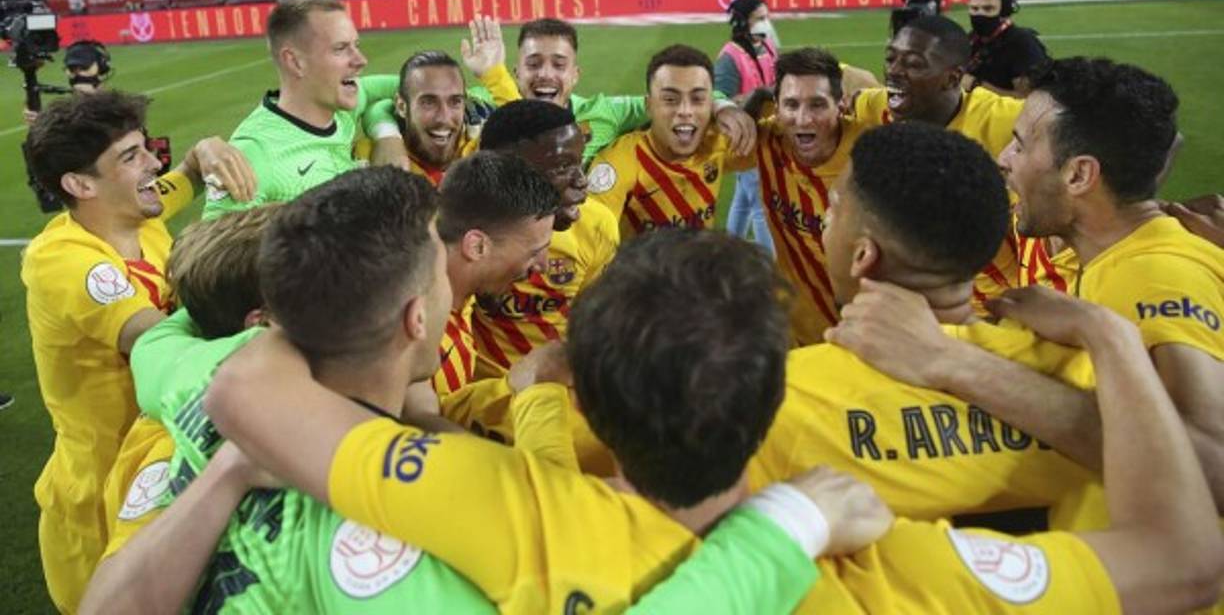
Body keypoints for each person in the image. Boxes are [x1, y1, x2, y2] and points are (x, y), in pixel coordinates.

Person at [208, 223, 1221, 614]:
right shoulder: (897, 573)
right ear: (776, 390)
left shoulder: (511, 509)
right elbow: (1186, 559)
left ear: (592, 400)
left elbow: (247, 390)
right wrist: (1113, 342)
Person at [102, 166, 864, 614]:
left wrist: (234, 464)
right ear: (412, 315)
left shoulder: (221, 373)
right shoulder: (424, 552)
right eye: (439, 270)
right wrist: (788, 526)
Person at [849, 58, 1224, 525]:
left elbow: (1212, 468)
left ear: (1079, 176)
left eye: (1022, 145)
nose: (1004, 158)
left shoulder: (1153, 273)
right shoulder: (1126, 256)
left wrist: (950, 360)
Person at [750, 122, 1099, 529]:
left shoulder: (778, 400)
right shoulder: (1089, 382)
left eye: (833, 210)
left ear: (863, 255)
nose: (826, 225)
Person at [20, 90, 254, 613]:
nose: (154, 163)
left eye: (145, 147)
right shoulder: (62, 260)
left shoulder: (139, 212)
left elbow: (189, 168)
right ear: (81, 185)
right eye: (130, 156)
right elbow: (156, 340)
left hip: (168, 465)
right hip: (101, 502)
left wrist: (210, 149)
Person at [853, 14, 1024, 309]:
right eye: (891, 59)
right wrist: (751, 105)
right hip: (923, 307)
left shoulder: (1004, 119)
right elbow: (832, 80)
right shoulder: (878, 107)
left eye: (914, 64)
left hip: (999, 309)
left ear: (953, 78)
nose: (894, 71)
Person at [202, 0, 400, 218]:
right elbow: (210, 250)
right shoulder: (254, 155)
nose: (361, 59)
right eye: (340, 48)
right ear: (295, 62)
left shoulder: (341, 106)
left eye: (356, 45)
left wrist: (386, 131)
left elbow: (415, 87)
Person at [463, 16, 756, 165]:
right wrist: (491, 74)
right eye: (534, 64)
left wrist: (721, 105)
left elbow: (670, 98)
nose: (546, 75)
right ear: (516, 73)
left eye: (559, 64)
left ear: (575, 75)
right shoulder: (485, 100)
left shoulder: (604, 112)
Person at [471, 99, 619, 375]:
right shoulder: (459, 234)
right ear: (506, 173)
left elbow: (592, 328)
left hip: (556, 397)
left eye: (580, 162)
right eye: (562, 166)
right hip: (475, 401)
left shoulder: (598, 225)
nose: (582, 180)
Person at [741, 48, 870, 345]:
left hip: (868, 335)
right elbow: (693, 140)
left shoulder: (871, 151)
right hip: (797, 334)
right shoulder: (767, 141)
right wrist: (730, 109)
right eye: (791, 104)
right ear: (776, 107)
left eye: (817, 105)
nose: (803, 119)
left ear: (841, 105)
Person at [587, 44, 754, 237]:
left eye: (698, 99)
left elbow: (779, 142)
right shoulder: (617, 164)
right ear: (649, 106)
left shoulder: (716, 141)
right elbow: (591, 239)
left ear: (711, 104)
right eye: (670, 99)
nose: (685, 111)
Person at [432, 151, 559, 398]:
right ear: (477, 246)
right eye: (534, 253)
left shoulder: (457, 294)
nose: (543, 266)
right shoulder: (422, 345)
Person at [715, 0, 778, 254]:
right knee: (762, 204)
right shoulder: (729, 58)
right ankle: (774, 268)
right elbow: (720, 98)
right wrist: (753, 98)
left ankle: (728, 252)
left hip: (766, 133)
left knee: (743, 198)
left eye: (767, 17)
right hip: (745, 137)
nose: (766, 23)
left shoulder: (768, 46)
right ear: (744, 22)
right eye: (760, 18)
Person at [364, 50, 484, 183]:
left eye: (455, 101)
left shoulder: (485, 147)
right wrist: (385, 132)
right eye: (428, 103)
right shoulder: (368, 160)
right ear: (401, 106)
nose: (443, 118)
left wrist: (494, 73)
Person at [962, 0, 1049, 96]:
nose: (979, 14)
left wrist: (976, 85)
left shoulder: (1022, 43)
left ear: (1004, 11)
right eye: (974, 9)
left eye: (988, 9)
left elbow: (1027, 98)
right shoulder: (971, 39)